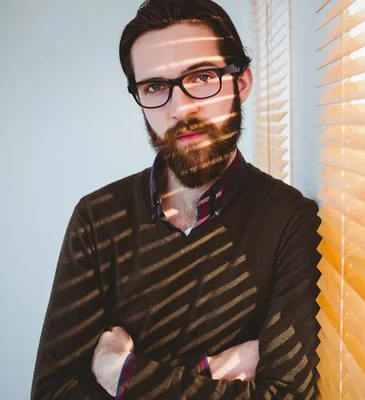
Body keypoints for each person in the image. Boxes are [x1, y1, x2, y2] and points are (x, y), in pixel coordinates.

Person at [31, 0, 321, 398]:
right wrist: (208, 370)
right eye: (155, 87)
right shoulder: (98, 219)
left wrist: (120, 374)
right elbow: (53, 393)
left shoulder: (290, 220)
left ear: (242, 83)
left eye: (202, 77)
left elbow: (289, 395)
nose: (180, 108)